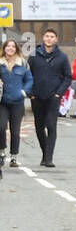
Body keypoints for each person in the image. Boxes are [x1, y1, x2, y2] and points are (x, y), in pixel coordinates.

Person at [27, 28, 72, 168]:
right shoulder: (34, 55)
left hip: (53, 97)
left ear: (56, 39)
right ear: (43, 38)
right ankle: (44, 153)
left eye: (52, 36)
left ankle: (49, 158)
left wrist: (59, 93)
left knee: (51, 126)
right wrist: (31, 93)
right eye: (47, 36)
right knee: (39, 127)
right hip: (37, 96)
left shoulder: (62, 57)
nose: (49, 39)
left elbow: (67, 77)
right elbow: (28, 75)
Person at [0, 38, 32, 168]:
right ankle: (2, 151)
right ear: (4, 48)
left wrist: (23, 92)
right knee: (1, 127)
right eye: (8, 46)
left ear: (16, 49)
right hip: (2, 102)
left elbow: (29, 80)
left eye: (13, 46)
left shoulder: (23, 63)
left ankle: (14, 156)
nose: (10, 48)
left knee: (15, 130)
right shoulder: (0, 63)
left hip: (17, 102)